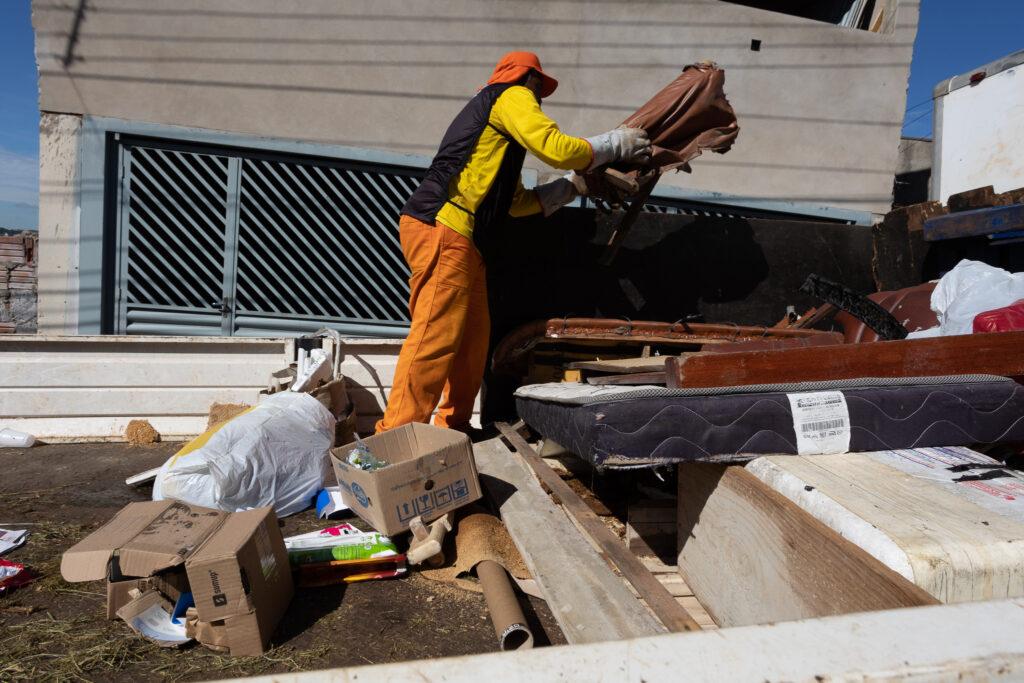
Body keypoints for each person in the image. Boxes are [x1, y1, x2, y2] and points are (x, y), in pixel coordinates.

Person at [374, 51, 651, 435]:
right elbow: (557, 148)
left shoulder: (495, 133)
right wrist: (613, 144)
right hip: (446, 227)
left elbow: (516, 203)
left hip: (466, 239)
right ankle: (395, 438)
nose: (539, 100)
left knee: (472, 346)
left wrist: (572, 186)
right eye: (539, 88)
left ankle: (452, 430)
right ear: (526, 78)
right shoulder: (510, 94)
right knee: (434, 336)